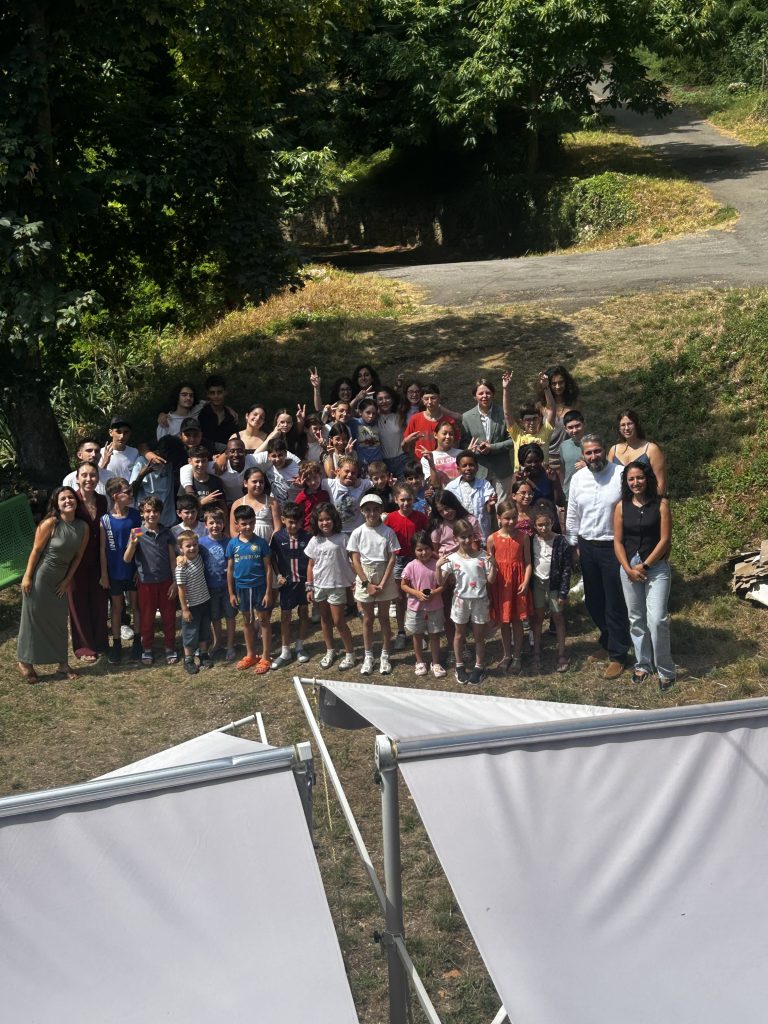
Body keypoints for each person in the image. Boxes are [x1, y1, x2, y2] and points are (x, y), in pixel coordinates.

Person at [566, 434, 630, 679]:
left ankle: (618, 654)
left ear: (605, 450)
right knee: (593, 600)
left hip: (613, 546)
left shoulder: (620, 474)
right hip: (587, 546)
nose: (594, 456)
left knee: (614, 602)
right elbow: (573, 512)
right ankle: (607, 639)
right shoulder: (578, 478)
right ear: (583, 455)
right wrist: (573, 544)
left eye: (597, 451)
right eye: (589, 453)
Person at [613, 461, 677, 691]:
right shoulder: (621, 506)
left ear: (647, 478)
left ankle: (666, 670)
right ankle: (643, 664)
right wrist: (628, 569)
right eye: (631, 479)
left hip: (656, 568)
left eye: (639, 477)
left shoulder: (661, 504)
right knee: (636, 619)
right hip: (629, 568)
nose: (636, 482)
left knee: (657, 619)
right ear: (626, 482)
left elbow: (665, 540)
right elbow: (617, 541)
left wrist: (646, 566)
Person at [17, 487, 88, 683]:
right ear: (56, 503)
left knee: (58, 622)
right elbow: (36, 551)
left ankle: (63, 664)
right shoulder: (50, 523)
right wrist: (27, 577)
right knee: (32, 620)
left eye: (71, 497)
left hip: (60, 581)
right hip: (40, 578)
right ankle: (25, 662)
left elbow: (78, 557)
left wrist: (67, 580)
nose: (68, 501)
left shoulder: (83, 527)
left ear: (77, 501)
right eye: (63, 499)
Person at [437, 519, 496, 685]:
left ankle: (479, 666)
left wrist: (494, 565)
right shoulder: (452, 558)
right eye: (463, 537)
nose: (467, 540)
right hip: (460, 601)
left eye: (470, 536)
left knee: (479, 635)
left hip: (480, 601)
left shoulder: (483, 556)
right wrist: (438, 567)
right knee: (459, 634)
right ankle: (459, 665)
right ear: (455, 538)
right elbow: (440, 582)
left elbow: (491, 580)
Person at [348, 494, 400, 676]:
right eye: (368, 510)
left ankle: (385, 655)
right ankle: (368, 655)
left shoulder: (388, 532)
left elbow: (392, 558)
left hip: (384, 574)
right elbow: (355, 560)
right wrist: (366, 583)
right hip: (365, 576)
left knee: (384, 618)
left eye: (376, 509)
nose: (372, 513)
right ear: (362, 511)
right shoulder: (357, 532)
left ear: (381, 510)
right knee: (368, 619)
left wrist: (383, 582)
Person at [123, 496, 178, 666]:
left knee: (169, 617)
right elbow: (127, 559)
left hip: (166, 582)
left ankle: (169, 647)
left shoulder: (166, 532)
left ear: (160, 513)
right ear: (142, 513)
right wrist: (133, 544)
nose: (152, 514)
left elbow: (172, 559)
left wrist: (175, 582)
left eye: (155, 511)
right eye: (148, 511)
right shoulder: (137, 532)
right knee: (146, 618)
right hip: (146, 583)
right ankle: (147, 648)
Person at [305, 503, 357, 670]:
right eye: (321, 520)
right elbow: (311, 565)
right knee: (325, 619)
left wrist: (355, 579)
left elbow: (352, 561)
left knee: (338, 620)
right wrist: (309, 586)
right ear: (316, 522)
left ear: (334, 519)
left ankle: (350, 654)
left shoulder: (343, 538)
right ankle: (330, 650)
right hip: (320, 586)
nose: (324, 523)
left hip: (337, 585)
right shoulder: (315, 540)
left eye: (327, 519)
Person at [69, 461, 109, 661]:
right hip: (75, 560)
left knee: (99, 601)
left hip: (99, 558)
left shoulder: (102, 500)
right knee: (78, 603)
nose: (88, 479)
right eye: (84, 475)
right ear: (77, 478)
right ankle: (84, 647)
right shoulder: (72, 500)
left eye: (92, 475)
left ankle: (100, 642)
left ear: (98, 478)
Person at [226, 505, 273, 674]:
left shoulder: (261, 543)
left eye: (251, 523)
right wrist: (231, 593)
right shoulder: (232, 544)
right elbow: (230, 570)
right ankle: (251, 654)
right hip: (242, 588)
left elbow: (268, 569)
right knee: (247, 621)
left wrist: (268, 592)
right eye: (244, 523)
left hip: (260, 588)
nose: (248, 526)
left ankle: (265, 656)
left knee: (264, 620)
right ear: (236, 524)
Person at [100, 477, 142, 664]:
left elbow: (140, 544)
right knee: (117, 608)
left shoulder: (136, 516)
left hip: (133, 571)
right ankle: (116, 644)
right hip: (114, 572)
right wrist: (104, 574)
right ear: (115, 496)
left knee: (136, 606)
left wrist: (140, 568)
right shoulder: (105, 520)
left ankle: (138, 643)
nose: (132, 494)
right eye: (128, 492)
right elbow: (102, 550)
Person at [487, 500, 532, 674]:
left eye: (514, 517)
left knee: (517, 621)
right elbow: (490, 564)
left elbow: (528, 563)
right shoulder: (492, 539)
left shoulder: (523, 537)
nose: (511, 521)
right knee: (504, 622)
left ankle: (517, 656)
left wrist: (526, 582)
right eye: (507, 518)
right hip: (501, 585)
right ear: (499, 518)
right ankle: (507, 655)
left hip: (518, 584)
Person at [385, 483, 429, 651]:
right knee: (400, 598)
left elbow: (427, 537)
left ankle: (420, 631)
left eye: (409, 499)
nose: (406, 503)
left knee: (418, 596)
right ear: (396, 500)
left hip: (417, 560)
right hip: (398, 560)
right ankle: (401, 632)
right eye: (402, 500)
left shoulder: (420, 517)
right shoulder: (390, 518)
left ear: (414, 499)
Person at [530, 504, 572, 674]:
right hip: (537, 583)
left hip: (554, 585)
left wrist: (563, 592)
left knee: (558, 617)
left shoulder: (561, 541)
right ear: (534, 525)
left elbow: (566, 569)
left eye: (546, 524)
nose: (543, 528)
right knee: (538, 618)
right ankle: (536, 651)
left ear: (552, 522)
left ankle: (561, 653)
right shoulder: (531, 540)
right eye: (540, 525)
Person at [270, 502, 312, 668]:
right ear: (283, 520)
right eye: (290, 522)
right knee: (285, 616)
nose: (294, 526)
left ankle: (300, 646)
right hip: (287, 584)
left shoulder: (307, 536)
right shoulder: (278, 537)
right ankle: (285, 651)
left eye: (297, 522)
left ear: (302, 521)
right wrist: (278, 575)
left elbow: (312, 560)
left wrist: (311, 581)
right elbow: (272, 557)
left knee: (304, 612)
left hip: (303, 583)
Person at [400, 532, 446, 677]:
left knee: (434, 635)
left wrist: (434, 592)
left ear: (431, 548)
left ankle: (435, 662)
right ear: (414, 550)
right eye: (419, 549)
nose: (424, 552)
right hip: (415, 607)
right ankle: (419, 661)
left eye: (426, 548)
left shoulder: (437, 565)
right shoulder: (410, 566)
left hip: (435, 607)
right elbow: (403, 585)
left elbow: (443, 585)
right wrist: (416, 593)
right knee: (417, 635)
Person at [461, 378, 515, 499]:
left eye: (488, 393)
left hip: (501, 470)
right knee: (481, 505)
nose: (484, 396)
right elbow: (463, 443)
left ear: (493, 394)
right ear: (475, 396)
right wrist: (472, 449)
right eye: (480, 393)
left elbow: (513, 440)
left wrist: (492, 447)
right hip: (479, 470)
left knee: (502, 506)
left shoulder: (504, 413)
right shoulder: (467, 417)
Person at [199, 508, 237, 663]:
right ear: (206, 525)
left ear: (224, 524)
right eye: (211, 522)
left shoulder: (229, 542)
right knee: (215, 617)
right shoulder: (201, 543)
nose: (215, 525)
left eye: (219, 522)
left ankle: (230, 645)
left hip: (228, 587)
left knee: (230, 615)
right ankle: (217, 643)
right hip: (210, 587)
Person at [175, 529, 213, 674]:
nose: (192, 548)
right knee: (190, 633)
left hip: (205, 601)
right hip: (191, 606)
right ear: (181, 548)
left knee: (204, 629)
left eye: (195, 545)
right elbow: (181, 590)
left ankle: (203, 654)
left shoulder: (199, 557)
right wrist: (184, 609)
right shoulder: (181, 567)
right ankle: (188, 659)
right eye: (188, 546)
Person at [502, 371, 555, 470]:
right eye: (528, 420)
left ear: (540, 419)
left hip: (541, 475)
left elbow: (552, 410)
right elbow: (507, 413)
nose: (531, 422)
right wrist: (506, 388)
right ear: (521, 422)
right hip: (522, 476)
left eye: (534, 419)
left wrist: (546, 388)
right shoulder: (517, 434)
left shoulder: (545, 432)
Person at [607, 409, 668, 497]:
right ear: (619, 429)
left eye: (630, 424)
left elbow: (660, 483)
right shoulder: (614, 450)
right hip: (620, 501)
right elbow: (608, 478)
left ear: (636, 425)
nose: (626, 428)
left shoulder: (651, 449)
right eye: (623, 425)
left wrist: (654, 502)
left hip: (646, 500)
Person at [445, 450, 497, 540]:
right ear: (458, 469)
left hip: (481, 531)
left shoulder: (485, 485)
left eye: (471, 465)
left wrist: (491, 504)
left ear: (477, 468)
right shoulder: (451, 487)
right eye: (464, 466)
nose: (468, 468)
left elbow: (489, 510)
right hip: (461, 534)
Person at [534, 364, 579, 461]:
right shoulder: (540, 406)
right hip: (546, 457)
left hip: (568, 456)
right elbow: (536, 433)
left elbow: (580, 431)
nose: (557, 387)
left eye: (561, 382)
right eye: (553, 383)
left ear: (566, 383)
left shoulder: (575, 404)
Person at [403, 382, 456, 460]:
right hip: (421, 462)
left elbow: (455, 444)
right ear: (422, 400)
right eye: (426, 399)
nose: (430, 402)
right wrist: (406, 442)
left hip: (443, 462)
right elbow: (405, 445)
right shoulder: (415, 419)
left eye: (433, 398)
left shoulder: (449, 421)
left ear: (439, 398)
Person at [228, 467, 281, 542]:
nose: (258, 485)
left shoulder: (272, 502)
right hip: (244, 547)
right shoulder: (237, 504)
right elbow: (233, 530)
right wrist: (243, 545)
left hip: (268, 546)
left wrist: (270, 544)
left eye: (261, 482)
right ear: (245, 483)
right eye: (254, 482)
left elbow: (277, 528)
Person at [197, 374, 238, 453]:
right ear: (208, 394)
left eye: (219, 392)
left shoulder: (231, 417)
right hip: (204, 456)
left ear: (225, 392)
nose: (216, 396)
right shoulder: (201, 413)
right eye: (212, 393)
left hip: (227, 455)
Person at [375, 386, 406, 477]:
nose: (384, 401)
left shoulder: (400, 415)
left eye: (387, 398)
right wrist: (357, 399)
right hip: (382, 463)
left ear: (392, 399)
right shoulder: (373, 418)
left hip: (402, 460)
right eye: (380, 399)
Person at [295, 460, 331, 531]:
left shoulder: (325, 493)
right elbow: (296, 515)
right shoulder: (301, 497)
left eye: (315, 477)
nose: (313, 482)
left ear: (320, 475)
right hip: (307, 531)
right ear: (304, 481)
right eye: (308, 480)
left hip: (324, 528)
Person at [559, 411, 586, 503]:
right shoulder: (563, 446)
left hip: (589, 492)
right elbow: (562, 471)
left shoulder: (593, 444)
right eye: (570, 427)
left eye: (577, 426)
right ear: (565, 429)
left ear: (584, 424)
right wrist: (561, 492)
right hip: (569, 494)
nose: (574, 430)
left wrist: (587, 466)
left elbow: (604, 466)